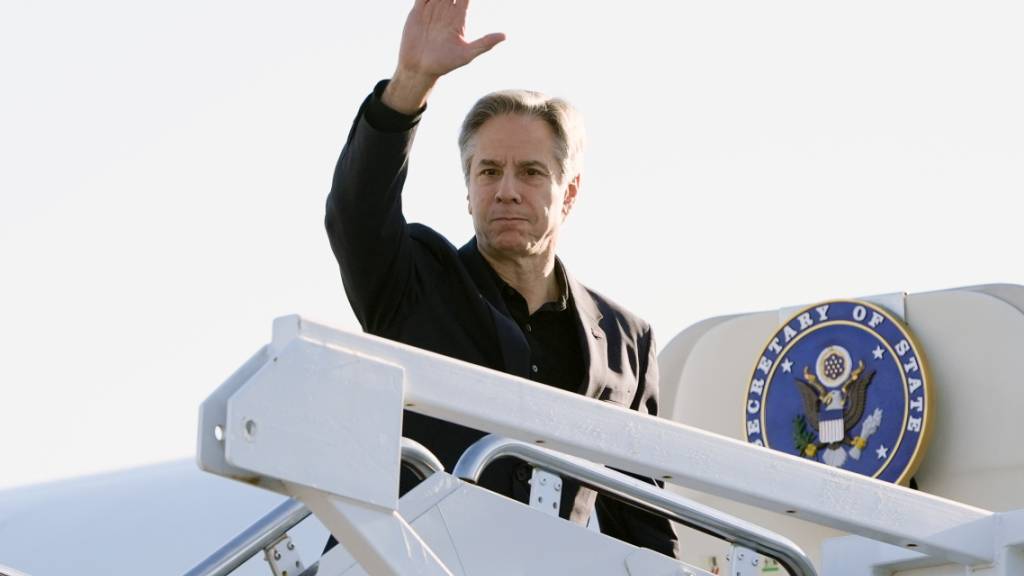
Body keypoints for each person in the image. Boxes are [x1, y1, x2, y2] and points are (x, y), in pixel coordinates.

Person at [324, 0, 679, 558]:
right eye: (488, 171)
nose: (507, 191)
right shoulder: (413, 283)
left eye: (531, 172)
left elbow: (643, 525)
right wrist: (411, 82)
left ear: (569, 192)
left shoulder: (625, 341)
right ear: (468, 189)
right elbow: (356, 213)